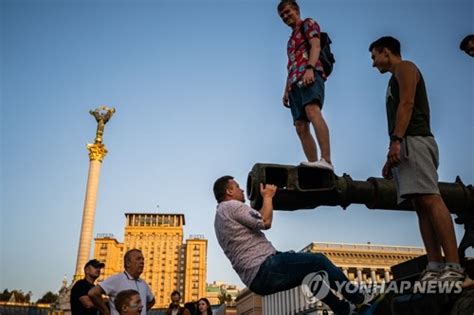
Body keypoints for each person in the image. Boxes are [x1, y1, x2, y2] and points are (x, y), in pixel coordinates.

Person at [368, 36, 465, 283]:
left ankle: (453, 265)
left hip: (415, 139)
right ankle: (434, 265)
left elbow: (408, 103)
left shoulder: (406, 67)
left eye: (374, 56)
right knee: (419, 204)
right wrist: (392, 152)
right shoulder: (392, 78)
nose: (373, 63)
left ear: (386, 51)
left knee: (431, 198)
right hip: (404, 142)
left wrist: (397, 140)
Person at [213, 176, 375, 315]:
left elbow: (257, 218)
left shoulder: (219, 218)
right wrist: (268, 196)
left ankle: (343, 310)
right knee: (319, 261)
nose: (242, 190)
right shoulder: (232, 206)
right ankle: (360, 299)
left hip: (256, 280)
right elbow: (264, 221)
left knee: (311, 277)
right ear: (229, 192)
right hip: (264, 267)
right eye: (238, 187)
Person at [278, 0, 333, 171]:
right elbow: (291, 65)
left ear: (296, 10)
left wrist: (310, 68)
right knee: (300, 126)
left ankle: (326, 160)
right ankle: (313, 166)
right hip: (294, 82)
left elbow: (315, 45)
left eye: (288, 12)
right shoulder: (290, 41)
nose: (286, 16)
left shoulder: (308, 23)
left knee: (312, 111)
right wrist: (286, 88)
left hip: (310, 74)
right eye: (282, 15)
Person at [88, 249, 155, 315]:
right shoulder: (117, 279)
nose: (142, 262)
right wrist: (106, 312)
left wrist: (141, 311)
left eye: (142, 259)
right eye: (138, 259)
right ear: (128, 263)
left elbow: (152, 301)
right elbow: (93, 293)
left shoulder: (143, 283)